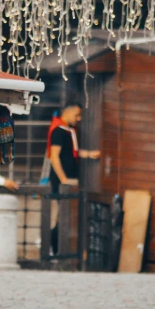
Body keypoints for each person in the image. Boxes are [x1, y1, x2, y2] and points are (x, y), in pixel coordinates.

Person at [47, 101, 101, 253]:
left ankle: (65, 251)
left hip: (71, 179)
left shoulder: (69, 131)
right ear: (68, 112)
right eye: (77, 115)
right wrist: (63, 180)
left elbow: (72, 152)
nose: (79, 119)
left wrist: (90, 154)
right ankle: (54, 250)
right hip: (62, 180)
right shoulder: (58, 131)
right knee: (58, 216)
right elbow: (55, 157)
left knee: (69, 216)